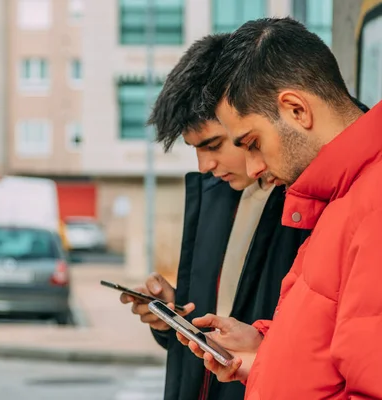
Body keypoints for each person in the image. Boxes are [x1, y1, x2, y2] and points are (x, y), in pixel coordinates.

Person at [179, 17, 382, 399]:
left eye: (252, 143)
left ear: (296, 110)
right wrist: (266, 351)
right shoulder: (364, 194)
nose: (253, 168)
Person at [119, 33, 310, 400]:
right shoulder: (214, 194)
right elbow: (212, 322)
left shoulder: (308, 199)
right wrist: (171, 317)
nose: (205, 166)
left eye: (213, 145)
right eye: (195, 150)